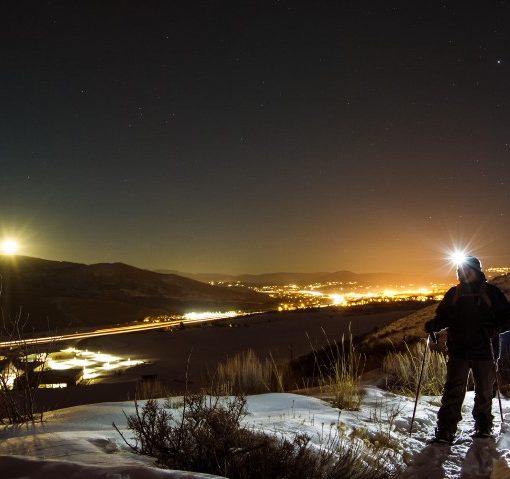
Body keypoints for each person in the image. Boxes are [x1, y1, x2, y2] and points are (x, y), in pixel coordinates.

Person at [425, 255, 510, 443]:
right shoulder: (454, 293)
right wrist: (434, 324)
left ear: (475, 271)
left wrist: (495, 328)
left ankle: (482, 426)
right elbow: (444, 316)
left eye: (464, 270)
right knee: (454, 391)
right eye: (459, 270)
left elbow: (507, 319)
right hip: (459, 350)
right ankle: (447, 429)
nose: (460, 273)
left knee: (484, 390)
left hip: (483, 351)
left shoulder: (491, 293)